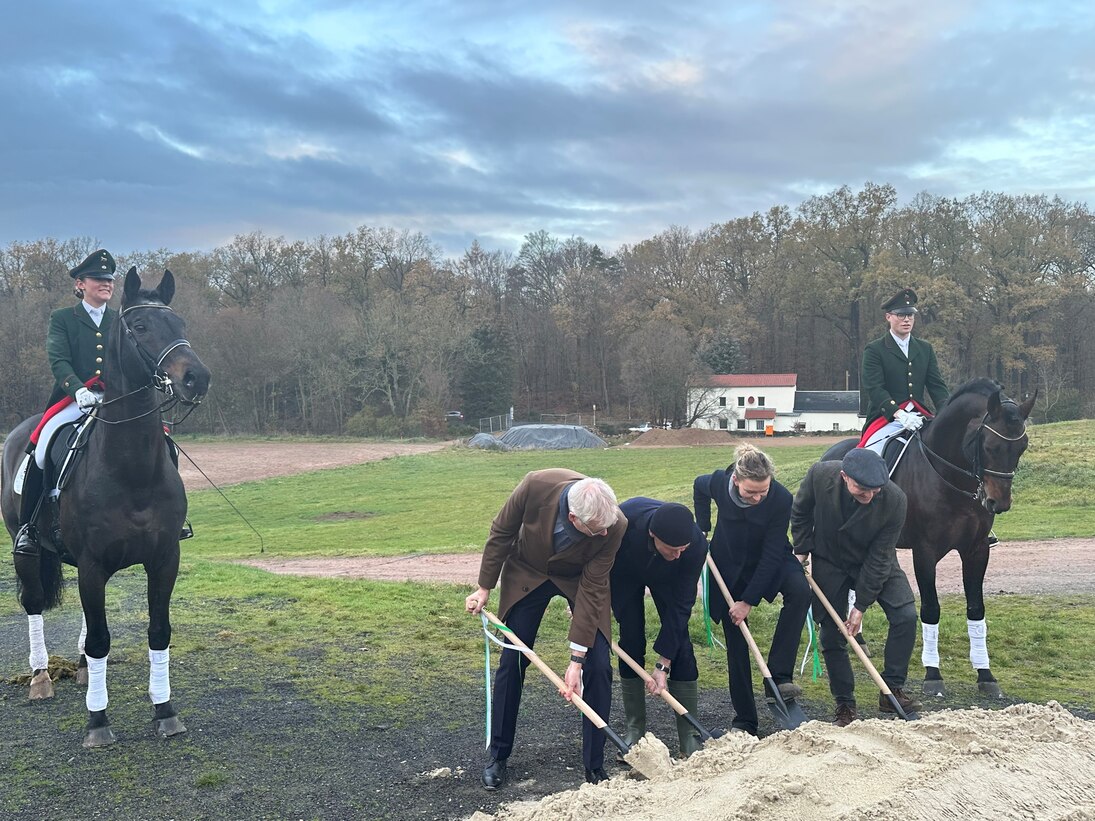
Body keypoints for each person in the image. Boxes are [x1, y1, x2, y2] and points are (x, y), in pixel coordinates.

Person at [464, 469, 626, 790]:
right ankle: (498, 755)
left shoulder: (614, 525)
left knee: (599, 666)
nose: (604, 534)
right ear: (573, 518)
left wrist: (576, 660)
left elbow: (594, 587)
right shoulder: (535, 485)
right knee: (513, 661)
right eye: (597, 530)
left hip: (579, 580)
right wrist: (484, 587)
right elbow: (501, 532)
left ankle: (594, 767)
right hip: (529, 570)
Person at [790, 448, 921, 726]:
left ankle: (892, 689)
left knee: (906, 615)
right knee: (832, 634)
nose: (869, 496)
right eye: (862, 489)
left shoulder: (895, 500)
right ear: (843, 477)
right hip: (830, 559)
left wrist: (861, 604)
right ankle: (845, 704)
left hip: (874, 559)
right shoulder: (819, 475)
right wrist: (802, 549)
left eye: (875, 490)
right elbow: (800, 512)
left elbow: (881, 556)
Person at [693, 443, 810, 735]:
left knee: (800, 590)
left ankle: (779, 676)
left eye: (763, 491)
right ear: (736, 481)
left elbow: (772, 554)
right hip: (728, 564)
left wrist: (748, 599)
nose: (758, 497)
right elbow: (698, 486)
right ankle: (745, 720)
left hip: (770, 557)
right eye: (750, 492)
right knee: (736, 637)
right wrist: (702, 527)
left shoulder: (781, 498)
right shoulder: (720, 481)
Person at [13, 250, 117, 557]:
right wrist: (76, 390)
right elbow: (58, 360)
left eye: (109, 279)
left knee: (162, 439)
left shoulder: (120, 320)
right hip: (76, 400)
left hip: (115, 399)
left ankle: (167, 515)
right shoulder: (62, 319)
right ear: (81, 283)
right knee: (43, 446)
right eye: (99, 279)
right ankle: (29, 527)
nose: (106, 284)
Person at [611, 498, 708, 758]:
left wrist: (663, 663)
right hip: (625, 571)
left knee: (681, 646)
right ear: (653, 534)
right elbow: (600, 566)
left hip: (670, 580)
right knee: (630, 638)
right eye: (672, 549)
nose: (678, 554)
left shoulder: (695, 545)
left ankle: (690, 738)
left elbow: (682, 604)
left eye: (682, 549)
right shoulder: (622, 523)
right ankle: (635, 731)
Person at [860, 287, 949, 456]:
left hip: (918, 416)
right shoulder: (875, 350)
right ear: (888, 317)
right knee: (871, 457)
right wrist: (899, 414)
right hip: (885, 418)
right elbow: (875, 389)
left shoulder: (925, 349)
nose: (907, 319)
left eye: (910, 315)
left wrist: (948, 413)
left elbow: (936, 386)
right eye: (901, 315)